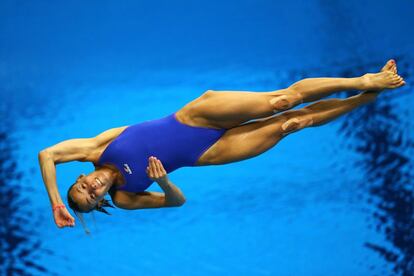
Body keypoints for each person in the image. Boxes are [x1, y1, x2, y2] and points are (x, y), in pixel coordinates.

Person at [38, 59, 405, 231]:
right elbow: (177, 202)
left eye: (83, 186)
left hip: (196, 117)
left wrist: (57, 203)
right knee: (292, 124)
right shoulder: (124, 196)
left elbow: (47, 154)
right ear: (101, 202)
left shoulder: (97, 148)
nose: (93, 188)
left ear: (80, 176)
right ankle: (361, 99)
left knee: (281, 101)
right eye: (92, 197)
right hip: (207, 153)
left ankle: (364, 79)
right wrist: (164, 182)